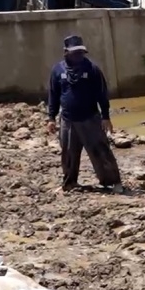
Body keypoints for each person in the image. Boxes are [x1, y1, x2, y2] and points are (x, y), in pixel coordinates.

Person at [46, 35, 123, 193]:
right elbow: (53, 95)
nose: (78, 56)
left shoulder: (92, 69)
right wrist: (51, 118)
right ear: (66, 52)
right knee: (68, 154)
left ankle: (112, 182)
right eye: (75, 53)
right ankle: (69, 183)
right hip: (68, 120)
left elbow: (102, 94)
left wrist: (105, 117)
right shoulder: (57, 70)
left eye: (81, 52)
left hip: (90, 118)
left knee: (100, 151)